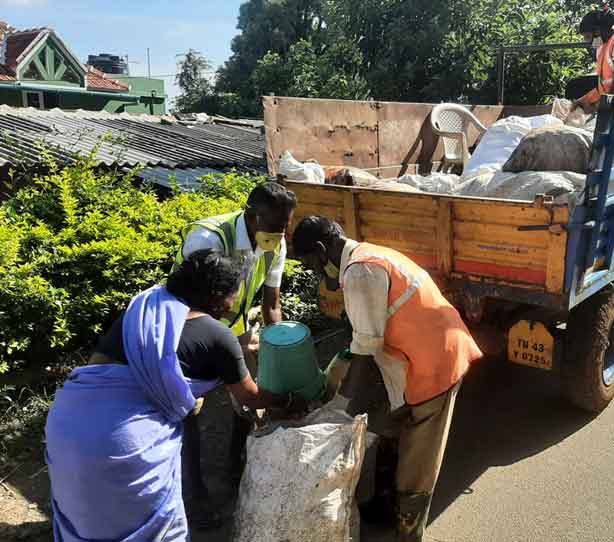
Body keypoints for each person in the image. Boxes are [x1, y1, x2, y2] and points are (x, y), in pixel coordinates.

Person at [45, 250, 303, 542]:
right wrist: (288, 399)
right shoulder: (218, 336)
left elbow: (111, 364)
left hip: (66, 424)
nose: (234, 303)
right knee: (151, 531)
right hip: (123, 443)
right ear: (217, 296)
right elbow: (251, 398)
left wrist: (233, 352)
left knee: (89, 519)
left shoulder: (145, 307)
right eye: (233, 294)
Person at [291, 216, 484, 542]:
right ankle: (383, 504)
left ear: (322, 251)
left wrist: (340, 407)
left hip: (435, 363)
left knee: (417, 463)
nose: (312, 271)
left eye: (310, 263)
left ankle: (408, 532)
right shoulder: (366, 256)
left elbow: (365, 351)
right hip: (415, 355)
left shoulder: (361, 271)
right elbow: (359, 336)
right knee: (387, 425)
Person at [175, 181, 298, 513]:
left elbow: (271, 302)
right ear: (251, 216)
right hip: (189, 329)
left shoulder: (275, 245)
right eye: (273, 227)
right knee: (186, 408)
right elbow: (196, 303)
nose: (279, 235)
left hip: (234, 332)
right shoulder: (209, 238)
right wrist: (230, 343)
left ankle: (234, 467)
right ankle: (195, 496)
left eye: (284, 228)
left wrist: (278, 345)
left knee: (243, 403)